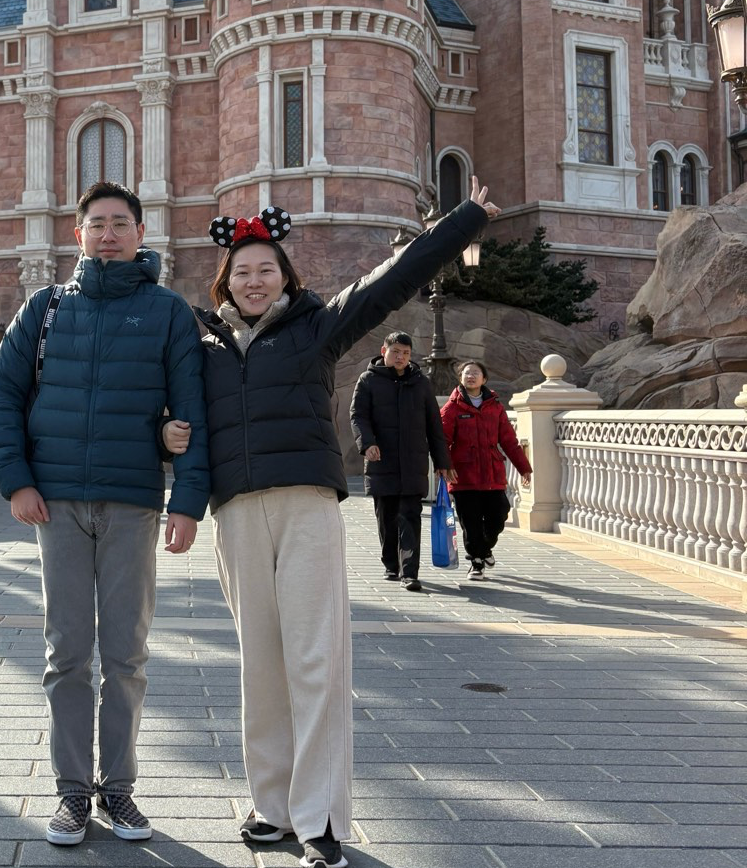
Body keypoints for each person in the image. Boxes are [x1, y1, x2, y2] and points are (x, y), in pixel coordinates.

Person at [163, 178, 498, 868]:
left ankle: (318, 818)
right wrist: (163, 436)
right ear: (225, 283)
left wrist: (464, 220)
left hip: (308, 506)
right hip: (237, 513)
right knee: (260, 663)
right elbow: (171, 418)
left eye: (267, 271)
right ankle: (272, 804)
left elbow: (390, 281)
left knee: (315, 660)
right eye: (243, 274)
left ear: (286, 276)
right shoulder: (205, 349)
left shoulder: (317, 326)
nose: (255, 283)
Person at [0, 181, 210, 847]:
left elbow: (189, 411)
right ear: (77, 235)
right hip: (55, 505)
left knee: (128, 655)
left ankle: (121, 790)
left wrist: (187, 503)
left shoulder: (167, 312)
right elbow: (0, 396)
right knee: (66, 654)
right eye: (96, 224)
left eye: (120, 223)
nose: (108, 234)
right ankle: (73, 794)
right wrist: (15, 483)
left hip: (133, 505)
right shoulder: (45, 309)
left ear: (141, 234)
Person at [350, 332, 456, 593]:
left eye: (406, 353)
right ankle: (390, 563)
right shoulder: (368, 380)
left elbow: (434, 424)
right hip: (381, 461)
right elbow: (358, 416)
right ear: (383, 350)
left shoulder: (420, 382)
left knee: (410, 516)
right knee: (386, 518)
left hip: (413, 462)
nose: (401, 357)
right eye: (396, 351)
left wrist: (442, 460)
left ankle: (410, 572)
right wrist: (368, 443)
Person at [440, 359, 532, 580]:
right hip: (463, 476)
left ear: (484, 379)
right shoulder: (452, 408)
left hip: (492, 474)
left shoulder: (496, 408)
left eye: (475, 373)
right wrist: (446, 465)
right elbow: (441, 440)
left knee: (499, 514)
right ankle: (477, 563)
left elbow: (509, 441)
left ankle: (484, 549)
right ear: (460, 378)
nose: (470, 376)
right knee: (470, 523)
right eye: (466, 373)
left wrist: (524, 468)